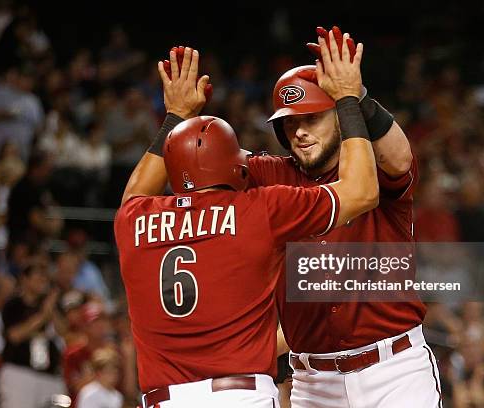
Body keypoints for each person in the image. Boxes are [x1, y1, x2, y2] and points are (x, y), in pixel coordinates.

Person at [135, 27, 440, 407]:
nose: (299, 131)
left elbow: (399, 158)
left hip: (393, 369)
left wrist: (355, 96)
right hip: (312, 380)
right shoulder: (268, 174)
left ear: (343, 116)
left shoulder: (373, 168)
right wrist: (178, 119)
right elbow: (197, 157)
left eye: (311, 118)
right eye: (289, 122)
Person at [0, 261, 66, 408]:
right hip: (19, 373)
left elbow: (64, 331)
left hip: (49, 374)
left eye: (44, 279)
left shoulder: (50, 305)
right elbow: (14, 335)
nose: (42, 282)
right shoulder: (14, 304)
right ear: (25, 279)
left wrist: (51, 309)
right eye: (38, 278)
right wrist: (43, 316)